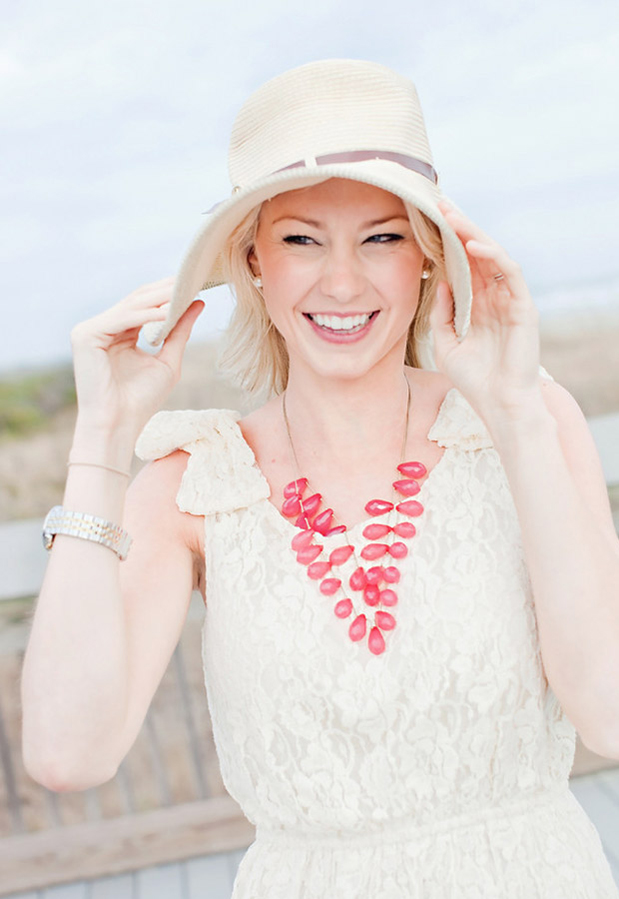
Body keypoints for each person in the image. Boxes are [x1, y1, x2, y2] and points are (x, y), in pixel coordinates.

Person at [21, 59, 619, 897]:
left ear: (425, 255)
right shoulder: (196, 480)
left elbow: (609, 710)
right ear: (254, 262)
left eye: (380, 236)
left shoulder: (526, 419)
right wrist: (101, 438)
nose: (341, 281)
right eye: (301, 238)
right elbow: (67, 753)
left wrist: (514, 408)